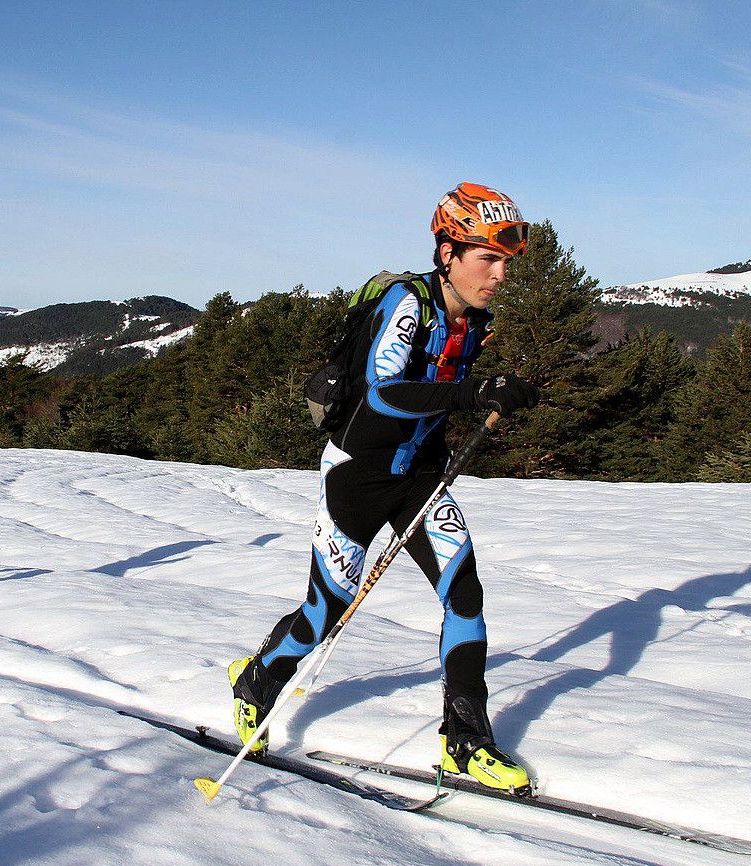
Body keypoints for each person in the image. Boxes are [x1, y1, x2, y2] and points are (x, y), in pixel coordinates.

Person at [229, 183, 540, 792]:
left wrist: (490, 393)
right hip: (358, 474)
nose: (501, 274)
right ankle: (258, 679)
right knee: (328, 609)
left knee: (464, 594)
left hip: (420, 475)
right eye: (488, 258)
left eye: (506, 262)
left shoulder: (473, 321)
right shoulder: (406, 302)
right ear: (447, 252)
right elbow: (380, 395)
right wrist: (470, 394)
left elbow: (440, 393)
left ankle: (466, 742)